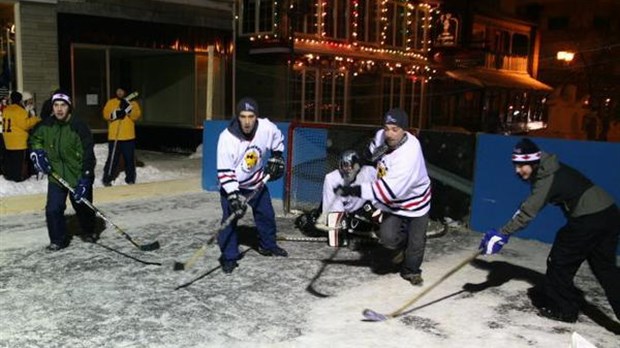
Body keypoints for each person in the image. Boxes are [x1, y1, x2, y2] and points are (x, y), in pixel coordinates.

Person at [479, 138, 619, 323]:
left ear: (534, 161)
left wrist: (502, 233)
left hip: (589, 218)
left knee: (559, 261)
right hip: (609, 213)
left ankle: (565, 310)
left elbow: (527, 212)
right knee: (605, 269)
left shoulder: (547, 178)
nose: (518, 171)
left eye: (522, 165)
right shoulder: (550, 168)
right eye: (516, 165)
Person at [335, 108, 432, 286]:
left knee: (416, 241)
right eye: (387, 128)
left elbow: (387, 192)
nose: (389, 133)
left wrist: (354, 190)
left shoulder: (409, 154)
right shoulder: (383, 136)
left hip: (415, 200)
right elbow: (372, 151)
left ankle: (411, 271)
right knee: (387, 238)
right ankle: (402, 248)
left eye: (395, 129)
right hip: (393, 200)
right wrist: (360, 162)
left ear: (405, 130)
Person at [216, 97, 288, 273]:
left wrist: (277, 155)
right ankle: (230, 256)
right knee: (230, 219)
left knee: (266, 214)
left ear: (256, 116)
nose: (247, 121)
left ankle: (268, 245)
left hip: (256, 180)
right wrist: (233, 196)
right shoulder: (227, 138)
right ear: (237, 117)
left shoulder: (266, 127)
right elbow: (225, 171)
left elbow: (277, 139)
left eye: (251, 116)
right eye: (243, 116)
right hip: (233, 184)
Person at [28, 91, 97, 251]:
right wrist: (37, 153)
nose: (59, 109)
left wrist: (86, 178)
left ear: (69, 107)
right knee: (53, 209)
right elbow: (35, 139)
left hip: (77, 175)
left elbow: (88, 155)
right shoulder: (46, 125)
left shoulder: (79, 127)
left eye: (63, 105)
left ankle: (88, 231)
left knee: (82, 206)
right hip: (56, 175)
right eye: (56, 105)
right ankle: (57, 239)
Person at [295, 150, 379, 243]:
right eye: (346, 165)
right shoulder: (331, 179)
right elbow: (334, 213)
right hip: (341, 211)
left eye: (353, 165)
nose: (350, 169)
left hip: (361, 208)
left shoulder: (369, 171)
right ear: (340, 165)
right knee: (320, 227)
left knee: (376, 216)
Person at [101, 87, 141, 186]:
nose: (119, 92)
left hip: (128, 137)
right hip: (114, 137)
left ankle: (130, 179)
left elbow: (136, 116)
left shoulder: (133, 103)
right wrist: (116, 113)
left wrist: (128, 109)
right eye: (118, 90)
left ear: (125, 92)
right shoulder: (111, 102)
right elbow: (106, 115)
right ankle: (107, 178)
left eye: (122, 90)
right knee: (112, 159)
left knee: (129, 159)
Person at [1, 91, 41, 182]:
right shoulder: (20, 111)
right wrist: (35, 119)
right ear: (20, 100)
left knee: (10, 162)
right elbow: (25, 125)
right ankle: (18, 178)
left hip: (8, 141)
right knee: (18, 164)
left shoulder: (6, 109)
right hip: (19, 142)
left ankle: (10, 177)